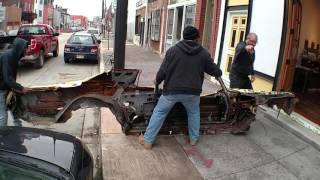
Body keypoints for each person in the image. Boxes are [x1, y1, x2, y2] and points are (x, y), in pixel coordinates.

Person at [139, 26, 222, 149]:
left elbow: (163, 71)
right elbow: (215, 71)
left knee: (159, 112)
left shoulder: (172, 51)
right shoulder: (203, 53)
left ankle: (148, 141)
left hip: (172, 91)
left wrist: (157, 80)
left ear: (183, 36)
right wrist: (219, 73)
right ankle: (193, 139)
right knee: (193, 113)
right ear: (197, 38)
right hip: (193, 92)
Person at [0, 38, 31, 127]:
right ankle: (3, 136)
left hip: (7, 86)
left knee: (14, 108)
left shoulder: (15, 56)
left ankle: (18, 130)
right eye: (25, 48)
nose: (27, 50)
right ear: (19, 47)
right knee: (3, 114)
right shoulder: (8, 56)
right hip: (0, 89)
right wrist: (21, 88)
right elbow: (8, 78)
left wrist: (15, 88)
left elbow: (10, 77)